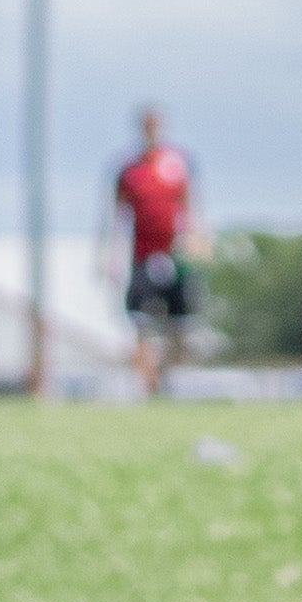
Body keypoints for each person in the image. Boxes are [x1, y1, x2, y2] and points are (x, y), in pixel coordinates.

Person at [110, 106, 197, 397]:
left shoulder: (178, 164)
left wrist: (195, 240)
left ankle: (165, 375)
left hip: (176, 254)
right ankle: (149, 384)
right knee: (141, 323)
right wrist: (111, 256)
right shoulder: (129, 170)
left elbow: (191, 206)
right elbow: (116, 216)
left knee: (180, 325)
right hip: (142, 255)